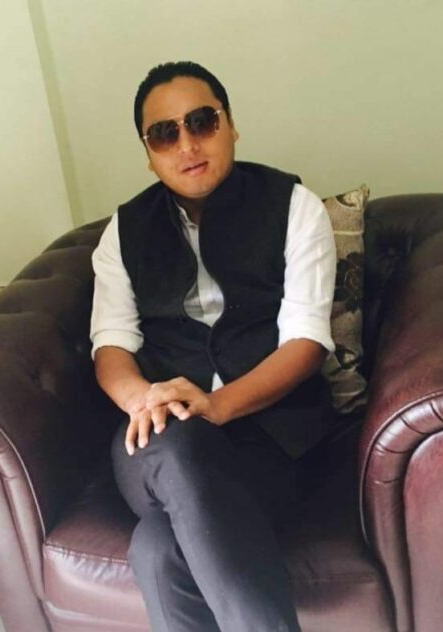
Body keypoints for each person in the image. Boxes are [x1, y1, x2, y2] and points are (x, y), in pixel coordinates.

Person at [90, 61, 337, 632]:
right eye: (164, 133)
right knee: (178, 445)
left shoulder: (294, 207)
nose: (187, 144)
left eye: (201, 121)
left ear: (231, 125)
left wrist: (217, 405)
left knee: (158, 549)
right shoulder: (123, 232)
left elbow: (305, 342)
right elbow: (111, 347)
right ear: (148, 152)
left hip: (274, 438)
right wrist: (145, 401)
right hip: (158, 438)